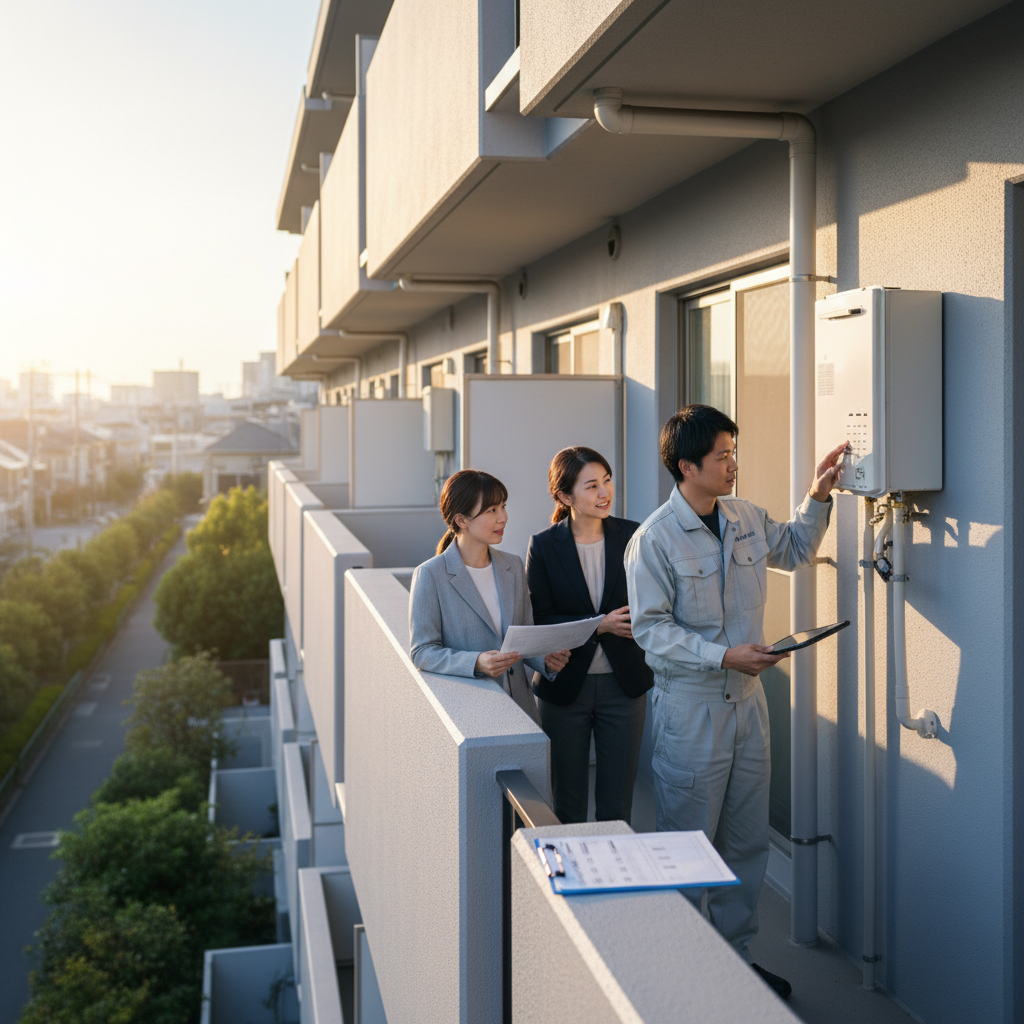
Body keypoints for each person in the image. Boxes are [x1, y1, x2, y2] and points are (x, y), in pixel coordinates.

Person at [624, 404, 846, 1000]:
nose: (733, 465)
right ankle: (683, 979)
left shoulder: (745, 517)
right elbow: (650, 630)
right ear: (686, 465)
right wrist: (722, 656)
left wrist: (819, 495)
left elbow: (796, 549)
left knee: (746, 843)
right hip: (692, 708)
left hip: (749, 704)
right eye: (722, 455)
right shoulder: (653, 541)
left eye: (732, 452)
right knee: (686, 848)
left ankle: (734, 963)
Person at [525, 446, 653, 824]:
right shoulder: (545, 546)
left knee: (617, 805)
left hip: (624, 684)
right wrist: (598, 623)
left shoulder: (634, 535)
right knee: (567, 804)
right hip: (565, 688)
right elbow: (540, 618)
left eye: (607, 481)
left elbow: (652, 603)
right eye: (592, 485)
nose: (604, 492)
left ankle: (615, 880)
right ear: (565, 497)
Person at [409, 469, 569, 720]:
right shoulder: (431, 575)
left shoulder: (513, 566)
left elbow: (523, 635)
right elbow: (422, 652)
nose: (503, 518)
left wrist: (546, 659)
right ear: (461, 520)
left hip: (520, 708)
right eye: (491, 510)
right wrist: (476, 662)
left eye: (503, 506)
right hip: (470, 712)